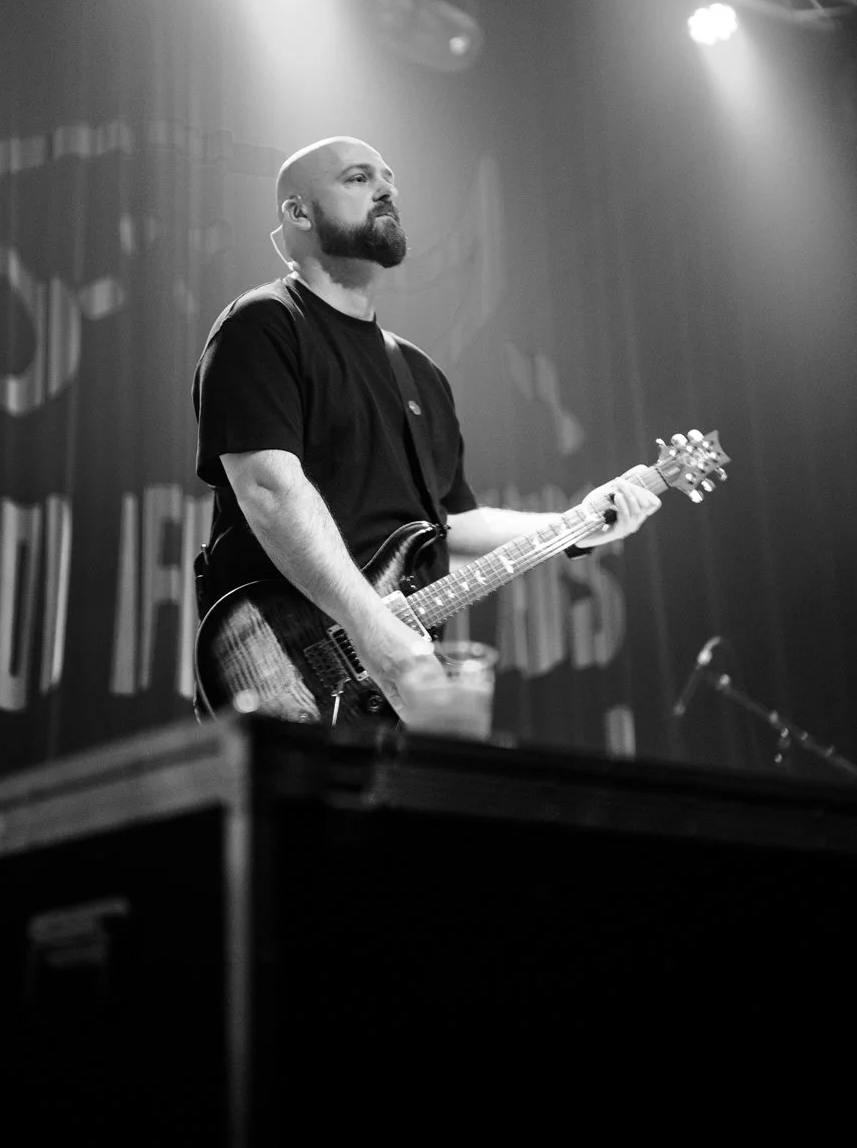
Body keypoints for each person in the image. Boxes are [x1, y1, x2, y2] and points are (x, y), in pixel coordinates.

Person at [192, 135, 660, 721]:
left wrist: (581, 524)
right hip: (282, 660)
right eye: (358, 178)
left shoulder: (417, 373)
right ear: (298, 212)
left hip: (383, 688)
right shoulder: (264, 324)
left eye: (388, 177)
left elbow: (453, 531)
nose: (387, 189)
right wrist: (372, 630)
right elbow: (267, 490)